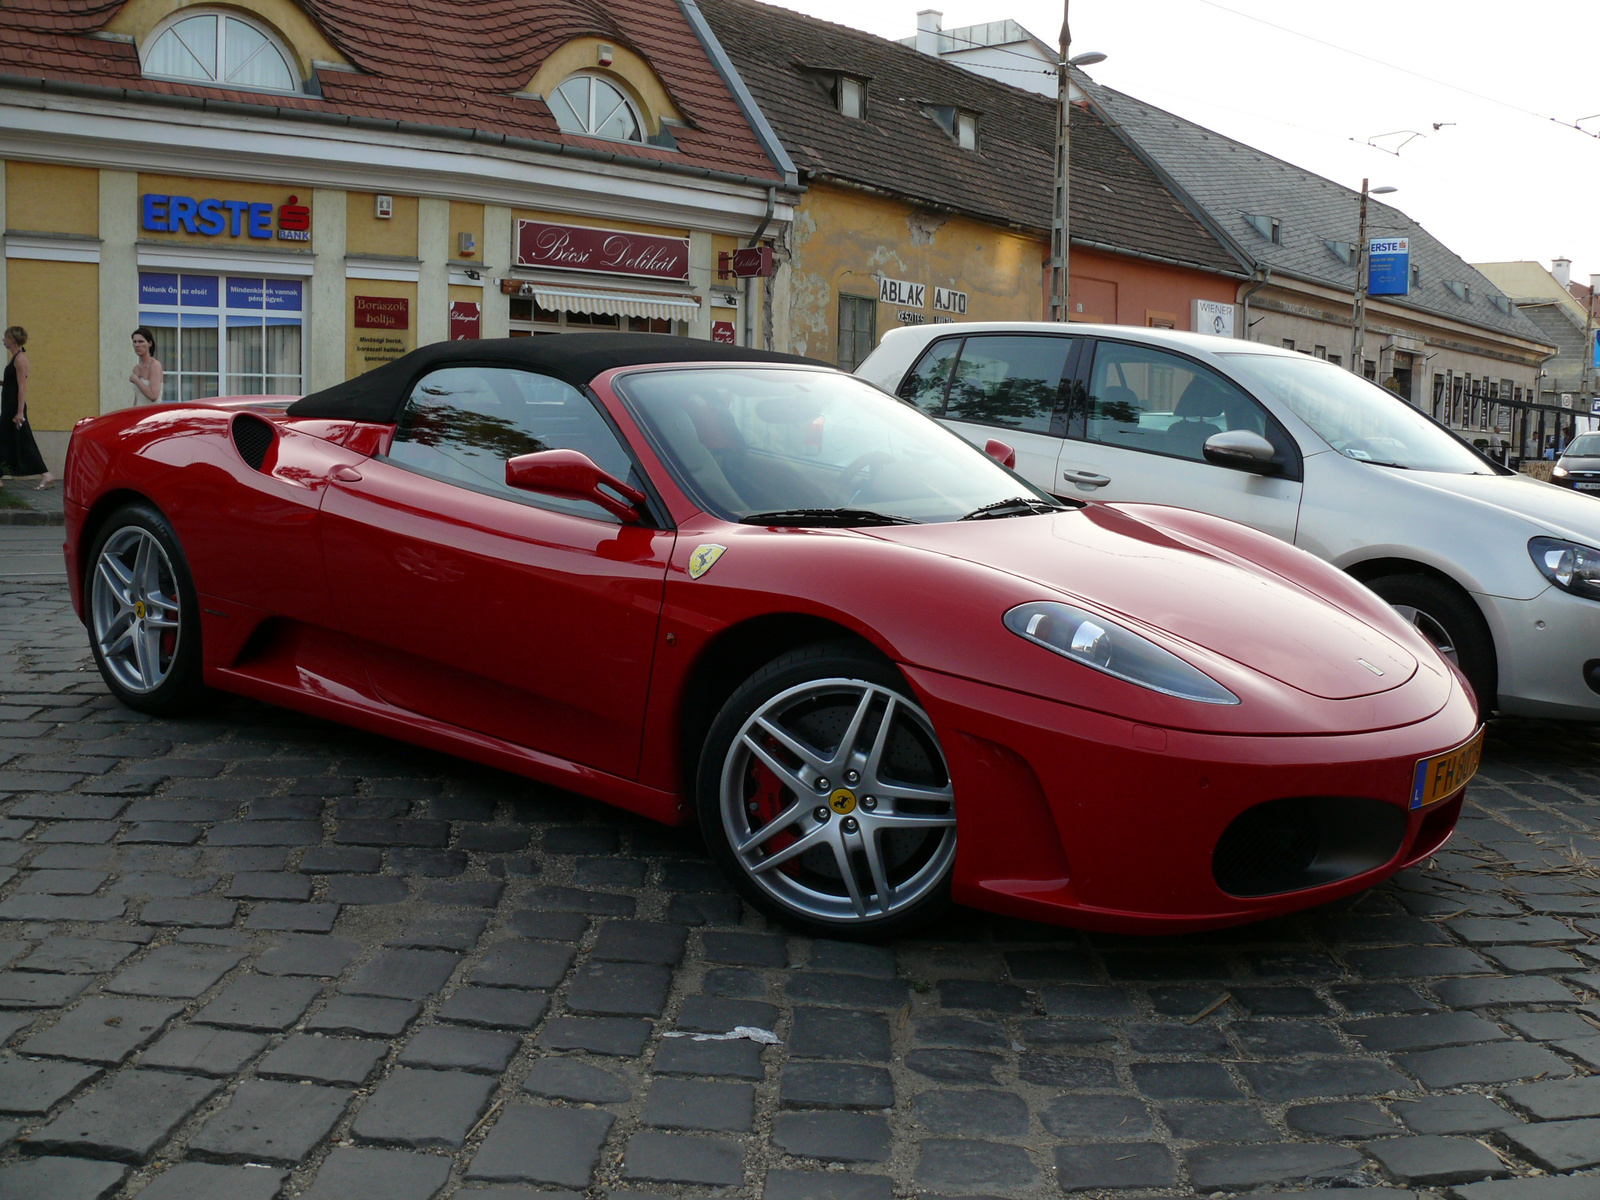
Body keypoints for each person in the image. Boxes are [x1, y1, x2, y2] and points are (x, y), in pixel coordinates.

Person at [0, 326, 53, 489]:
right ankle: (45, 474)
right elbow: (12, 384)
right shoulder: (15, 358)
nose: (3, 340)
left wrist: (20, 412)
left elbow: (22, 387)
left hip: (14, 409)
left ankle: (46, 474)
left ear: (12, 340)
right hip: (10, 407)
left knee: (23, 442)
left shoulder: (20, 359)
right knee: (12, 441)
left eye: (5, 337)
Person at [130, 326, 163, 404]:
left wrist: (136, 380)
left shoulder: (155, 365)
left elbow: (154, 396)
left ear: (150, 343)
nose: (137, 345)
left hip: (153, 413)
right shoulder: (137, 368)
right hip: (139, 412)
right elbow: (137, 397)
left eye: (141, 341)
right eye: (135, 342)